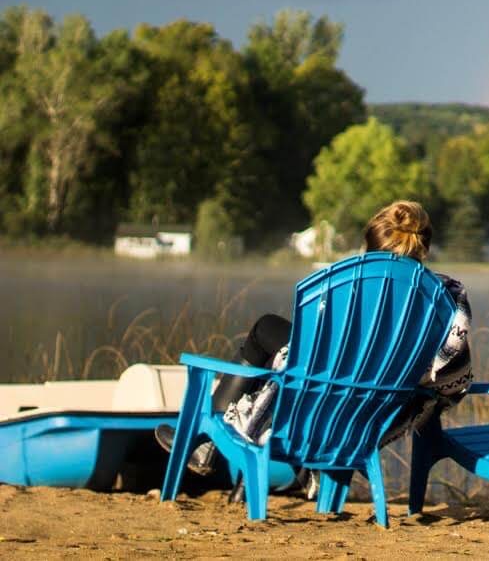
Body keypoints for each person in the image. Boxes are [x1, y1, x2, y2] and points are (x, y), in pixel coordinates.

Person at [158, 201, 472, 478]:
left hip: (328, 390)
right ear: (423, 247)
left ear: (374, 248)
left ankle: (203, 442)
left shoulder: (355, 283)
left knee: (267, 328)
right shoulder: (442, 298)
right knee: (276, 335)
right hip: (371, 408)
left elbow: (326, 338)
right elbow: (450, 370)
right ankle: (211, 445)